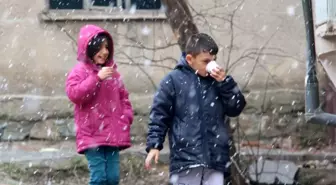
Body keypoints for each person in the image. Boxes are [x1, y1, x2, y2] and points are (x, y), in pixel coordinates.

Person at [145, 33, 246, 185]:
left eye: (213, 60)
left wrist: (225, 83)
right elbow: (159, 115)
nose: (211, 65)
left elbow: (236, 107)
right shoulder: (173, 81)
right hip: (185, 160)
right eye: (205, 61)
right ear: (190, 59)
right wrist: (154, 145)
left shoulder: (218, 82)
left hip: (215, 159)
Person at [65, 24, 133, 185]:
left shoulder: (113, 73)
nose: (105, 52)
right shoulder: (79, 71)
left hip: (113, 134)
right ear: (89, 48)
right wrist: (96, 78)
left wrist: (126, 118)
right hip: (91, 134)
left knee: (113, 178)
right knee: (99, 178)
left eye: (107, 47)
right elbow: (75, 94)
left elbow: (124, 99)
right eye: (100, 48)